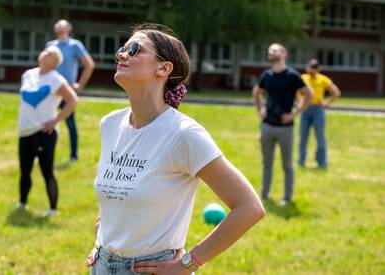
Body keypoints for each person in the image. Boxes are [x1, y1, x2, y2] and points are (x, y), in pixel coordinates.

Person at [87, 24, 265, 274]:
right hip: (102, 265)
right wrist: (102, 238)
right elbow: (115, 194)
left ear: (164, 68)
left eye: (135, 49)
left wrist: (189, 263)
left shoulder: (183, 135)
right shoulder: (110, 124)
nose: (122, 55)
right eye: (122, 50)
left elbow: (249, 207)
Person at [17, 46, 78, 216]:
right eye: (45, 51)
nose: (44, 53)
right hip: (25, 131)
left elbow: (73, 100)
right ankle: (22, 203)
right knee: (24, 170)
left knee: (46, 171)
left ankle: (53, 209)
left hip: (44, 132)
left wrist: (55, 120)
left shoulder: (55, 79)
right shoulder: (28, 75)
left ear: (55, 62)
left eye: (50, 54)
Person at [252, 43, 313, 206]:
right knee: (267, 164)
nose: (271, 52)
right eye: (270, 50)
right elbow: (256, 92)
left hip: (286, 128)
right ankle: (264, 195)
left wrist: (295, 113)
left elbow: (309, 94)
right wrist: (260, 109)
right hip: (267, 126)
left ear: (284, 54)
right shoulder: (267, 75)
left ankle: (287, 197)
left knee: (287, 165)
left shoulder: (292, 75)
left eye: (275, 50)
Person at [46, 19, 94, 162]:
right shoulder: (50, 46)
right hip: (51, 90)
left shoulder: (75, 45)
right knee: (47, 121)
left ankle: (73, 155)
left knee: (70, 124)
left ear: (69, 28)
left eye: (62, 25)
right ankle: (45, 153)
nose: (59, 27)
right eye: (57, 25)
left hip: (66, 91)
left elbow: (89, 65)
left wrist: (79, 85)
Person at [298, 59, 341, 169]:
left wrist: (326, 102)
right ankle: (301, 161)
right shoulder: (303, 78)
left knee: (320, 137)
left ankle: (321, 162)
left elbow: (336, 92)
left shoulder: (322, 79)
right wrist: (301, 101)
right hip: (305, 109)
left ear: (318, 69)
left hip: (318, 110)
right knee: (303, 137)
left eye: (314, 70)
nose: (311, 72)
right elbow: (297, 91)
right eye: (310, 69)